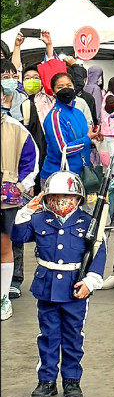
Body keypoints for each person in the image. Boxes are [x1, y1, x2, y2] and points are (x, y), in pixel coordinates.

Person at [11, 172, 106, 397]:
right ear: (47, 198)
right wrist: (26, 211)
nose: (62, 201)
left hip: (76, 289)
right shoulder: (40, 219)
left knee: (73, 337)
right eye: (55, 196)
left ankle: (72, 381)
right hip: (47, 288)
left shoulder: (87, 222)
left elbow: (98, 254)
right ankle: (47, 381)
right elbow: (18, 236)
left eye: (68, 196)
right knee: (49, 337)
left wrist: (90, 282)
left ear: (78, 198)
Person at [1, 112, 39, 320]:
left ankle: (3, 297)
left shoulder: (16, 128)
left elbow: (30, 160)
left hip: (5, 199)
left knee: (5, 245)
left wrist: (19, 186)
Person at [41, 73, 100, 183]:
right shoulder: (55, 116)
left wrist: (94, 136)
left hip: (79, 175)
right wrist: (87, 139)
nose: (65, 89)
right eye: (60, 87)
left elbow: (83, 137)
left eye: (69, 86)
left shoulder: (78, 112)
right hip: (59, 177)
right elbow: (62, 149)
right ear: (53, 92)